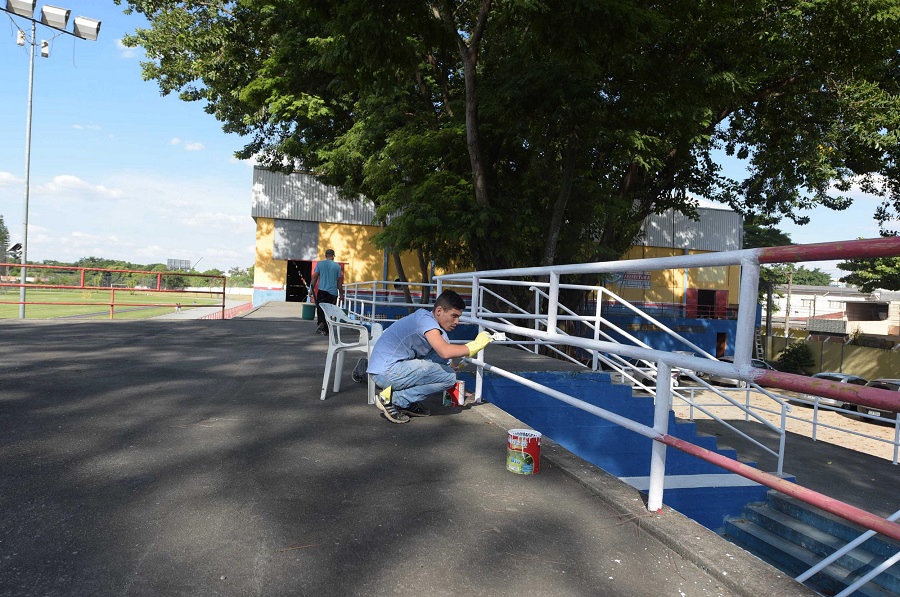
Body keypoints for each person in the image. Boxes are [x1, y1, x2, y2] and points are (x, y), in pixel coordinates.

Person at [366, 289, 494, 424]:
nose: (457, 321)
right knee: (449, 377)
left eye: (458, 317)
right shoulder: (425, 321)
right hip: (385, 372)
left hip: (388, 367)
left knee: (447, 368)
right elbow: (445, 351)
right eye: (454, 316)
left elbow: (445, 357)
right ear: (439, 311)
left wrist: (454, 376)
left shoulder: (432, 325)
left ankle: (405, 403)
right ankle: (395, 400)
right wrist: (475, 345)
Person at [310, 248, 343, 335]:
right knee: (330, 312)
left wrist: (311, 289)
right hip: (333, 293)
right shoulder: (338, 267)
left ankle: (321, 323)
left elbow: (315, 277)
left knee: (321, 309)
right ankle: (326, 330)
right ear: (333, 256)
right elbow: (339, 282)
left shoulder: (320, 264)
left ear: (325, 256)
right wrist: (341, 294)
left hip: (322, 291)